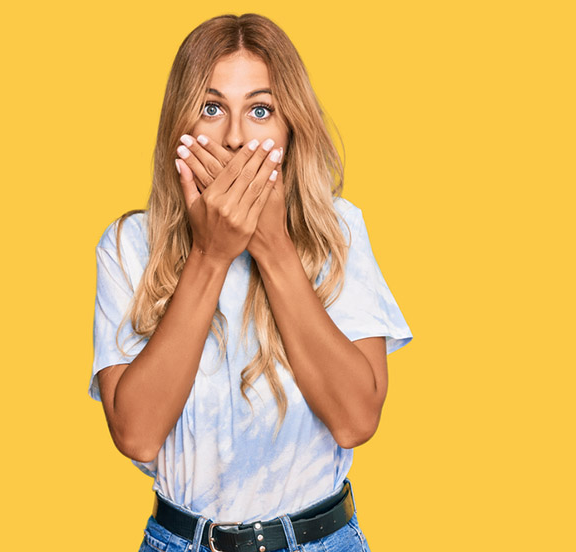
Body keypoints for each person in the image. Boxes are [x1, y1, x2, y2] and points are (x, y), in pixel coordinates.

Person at [89, 13, 412, 552]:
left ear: (289, 127)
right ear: (181, 126)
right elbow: (137, 434)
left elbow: (356, 419)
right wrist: (211, 256)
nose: (236, 138)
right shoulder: (129, 245)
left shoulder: (337, 230)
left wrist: (273, 247)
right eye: (212, 108)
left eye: (259, 110)